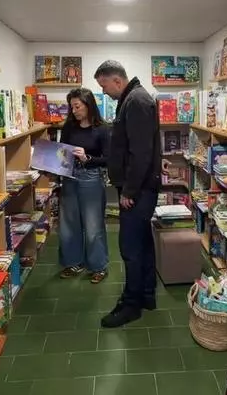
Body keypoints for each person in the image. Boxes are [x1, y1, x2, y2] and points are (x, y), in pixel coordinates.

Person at [94, 60, 161, 328]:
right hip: (139, 188)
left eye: (105, 86)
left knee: (130, 247)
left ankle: (131, 304)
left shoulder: (136, 101)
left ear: (117, 81)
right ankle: (146, 295)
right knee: (142, 243)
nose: (105, 92)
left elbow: (140, 151)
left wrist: (129, 191)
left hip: (138, 190)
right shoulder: (134, 98)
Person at [58, 88, 111, 284]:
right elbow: (61, 151)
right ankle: (73, 263)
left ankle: (98, 266)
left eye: (77, 106)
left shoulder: (102, 129)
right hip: (70, 176)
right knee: (68, 224)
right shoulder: (69, 127)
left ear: (89, 106)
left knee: (93, 224)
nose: (74, 111)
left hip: (91, 177)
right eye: (71, 107)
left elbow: (108, 159)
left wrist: (86, 157)